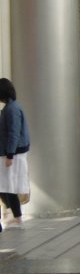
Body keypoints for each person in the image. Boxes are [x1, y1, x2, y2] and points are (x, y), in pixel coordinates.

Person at [0, 78, 31, 230]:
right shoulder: (11, 108)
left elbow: (13, 133)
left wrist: (10, 155)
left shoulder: (11, 109)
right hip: (13, 153)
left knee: (7, 187)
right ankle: (14, 215)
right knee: (7, 187)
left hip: (13, 154)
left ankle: (15, 216)